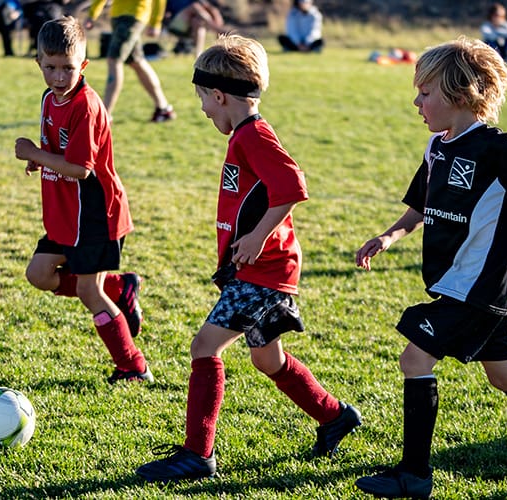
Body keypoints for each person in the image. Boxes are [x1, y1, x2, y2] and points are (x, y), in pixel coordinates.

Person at [351, 37, 507, 498]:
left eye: (426, 93)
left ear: (460, 94)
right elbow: (420, 205)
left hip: (477, 287)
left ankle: (414, 474)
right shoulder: (436, 147)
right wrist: (389, 235)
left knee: (415, 358)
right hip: (454, 283)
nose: (417, 102)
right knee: (503, 374)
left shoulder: (495, 148)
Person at [134, 34, 362, 483]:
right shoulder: (244, 134)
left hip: (264, 272)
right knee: (268, 359)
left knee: (205, 347)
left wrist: (258, 238)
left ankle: (197, 455)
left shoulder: (253, 135)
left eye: (202, 99)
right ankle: (334, 416)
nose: (202, 109)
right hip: (258, 270)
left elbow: (292, 186)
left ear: (218, 95)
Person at [14, 16, 153, 385]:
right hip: (64, 212)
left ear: (83, 65)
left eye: (68, 68)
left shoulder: (86, 105)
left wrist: (34, 152)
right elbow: (58, 148)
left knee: (89, 290)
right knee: (39, 274)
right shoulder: (49, 97)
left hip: (94, 214)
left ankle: (133, 366)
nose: (60, 76)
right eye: (51, 67)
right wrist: (38, 157)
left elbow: (80, 169)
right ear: (39, 63)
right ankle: (119, 288)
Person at [85, 0, 176, 121]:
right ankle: (164, 109)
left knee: (114, 60)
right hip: (118, 16)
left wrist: (155, 23)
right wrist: (92, 14)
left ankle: (105, 115)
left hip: (134, 16)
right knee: (136, 62)